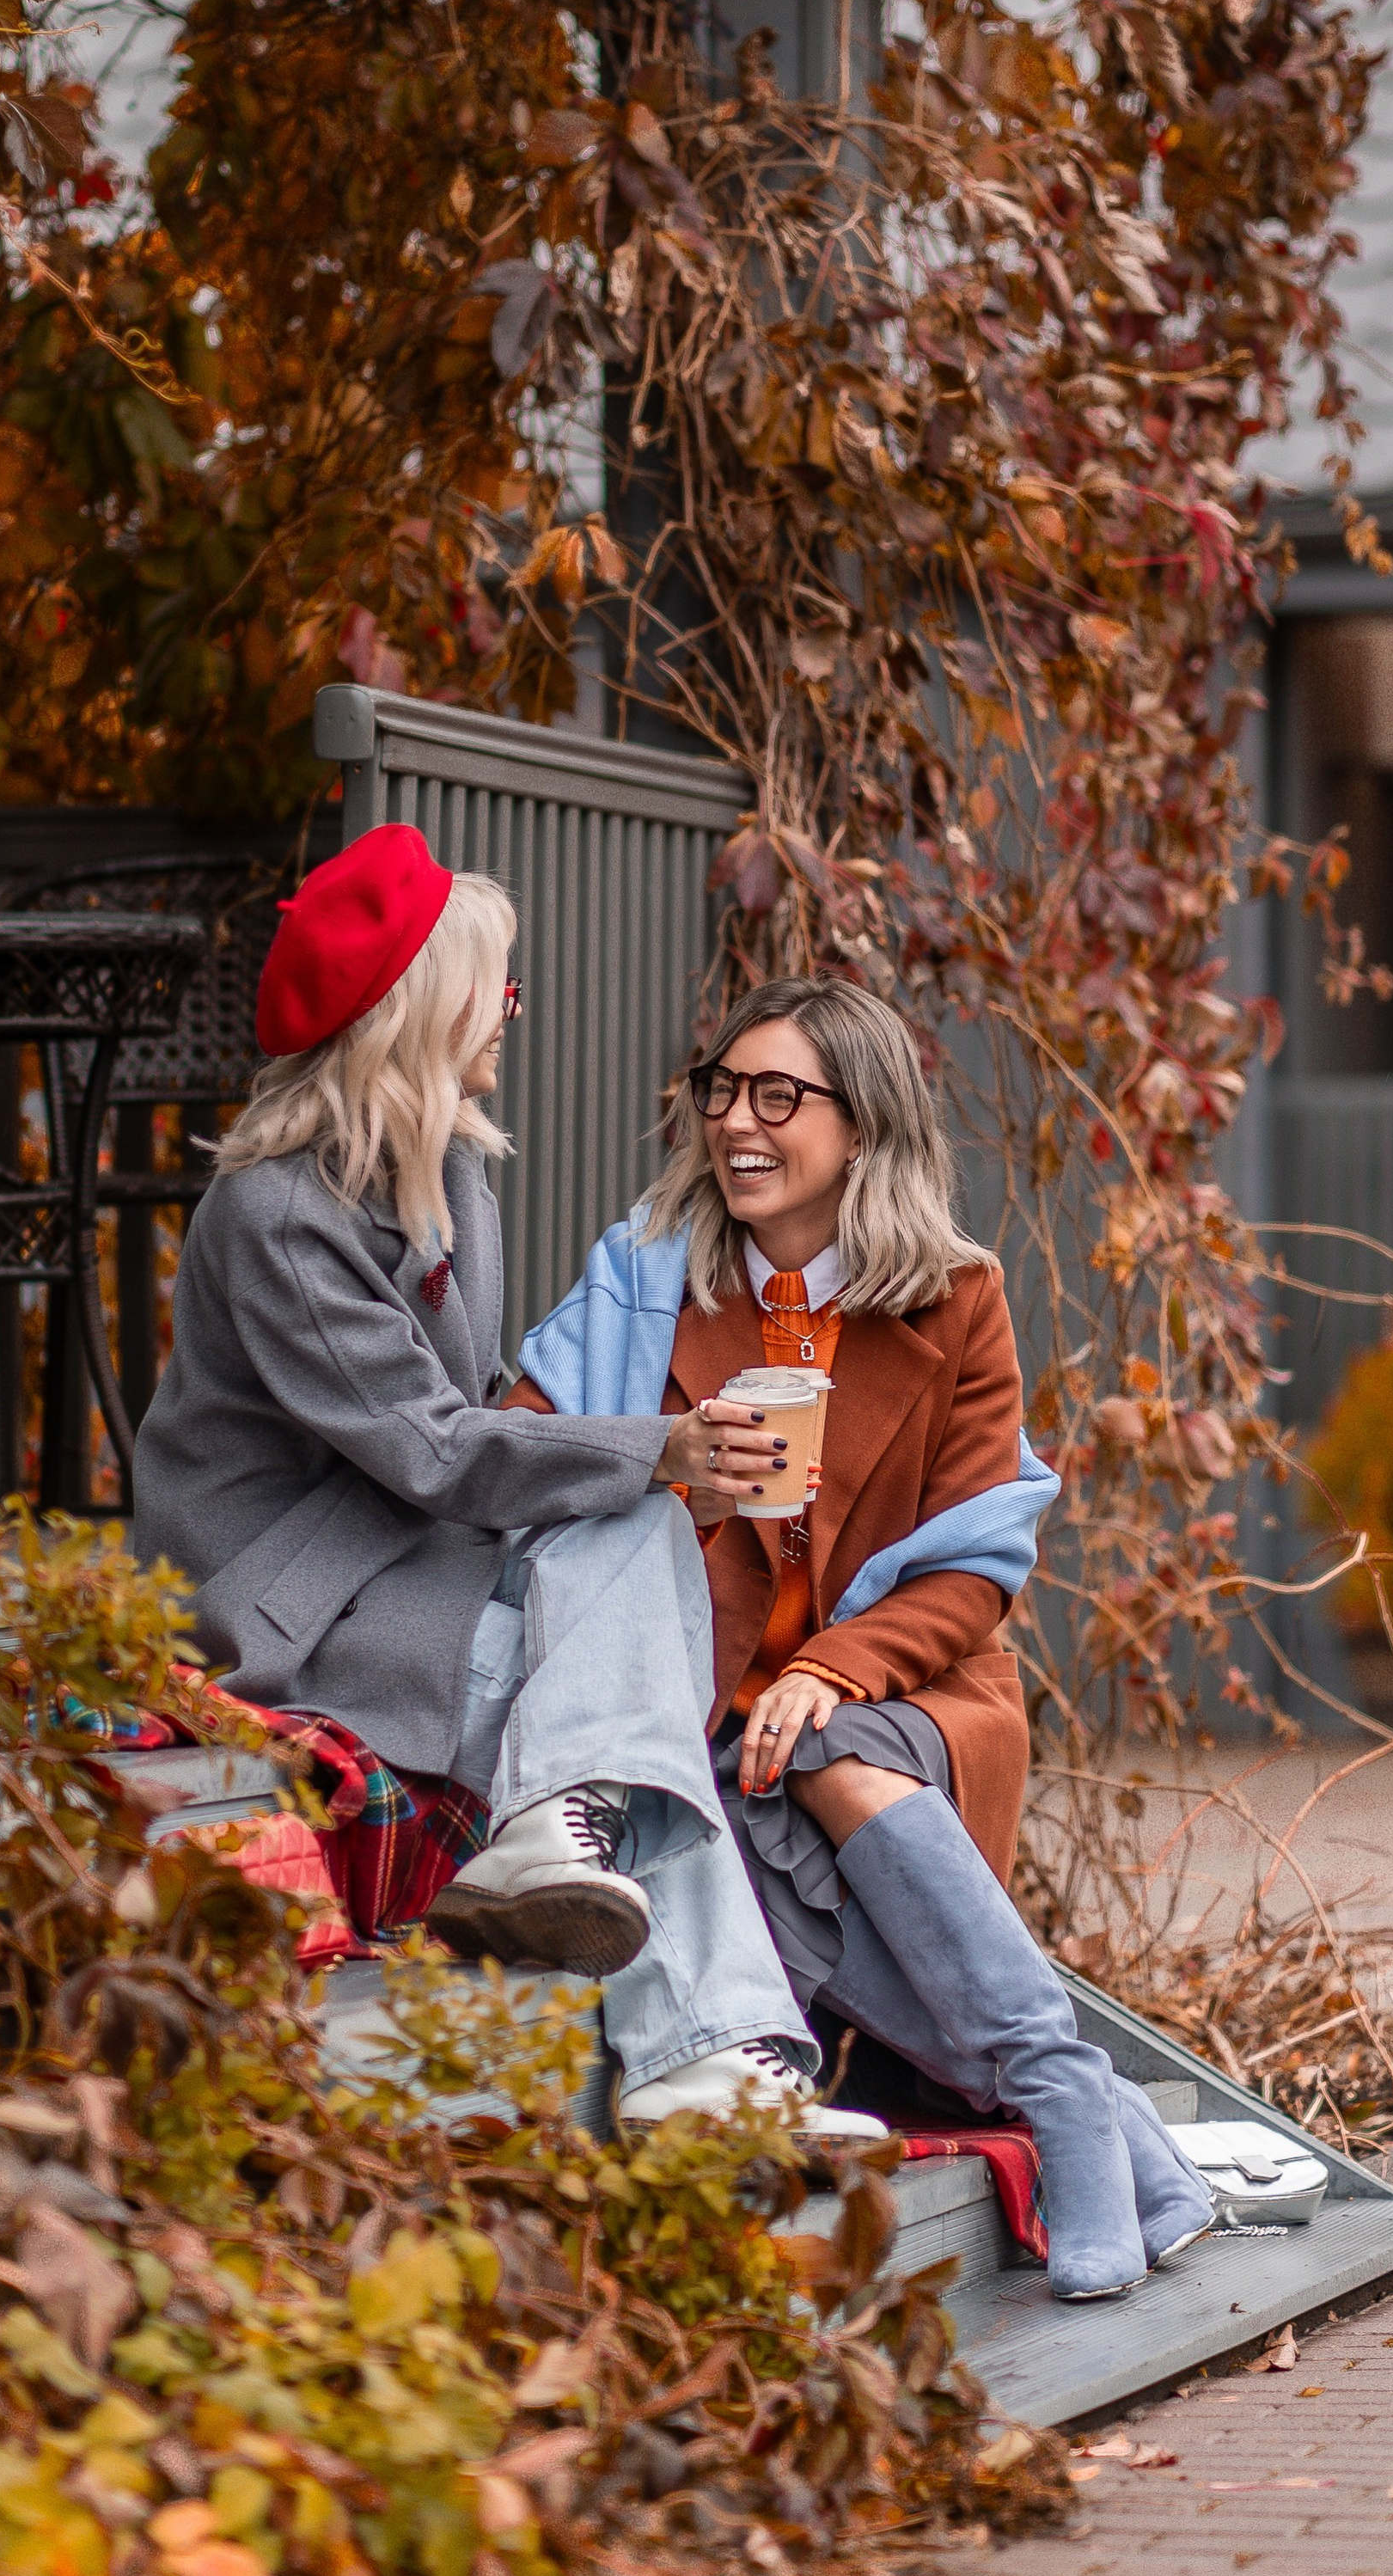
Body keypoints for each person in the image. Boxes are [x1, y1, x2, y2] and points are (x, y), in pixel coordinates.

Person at [129, 827, 877, 2141]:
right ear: (425, 1011)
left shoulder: (449, 1170)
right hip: (297, 1594)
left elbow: (459, 1437)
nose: (514, 1015)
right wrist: (661, 1444)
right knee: (622, 1656)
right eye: (500, 990)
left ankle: (586, 1872)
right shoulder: (275, 1218)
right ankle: (713, 2053)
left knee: (633, 1576)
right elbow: (431, 1445)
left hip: (403, 1554)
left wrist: (652, 1467)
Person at [513, 976, 1218, 2304]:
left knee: (818, 1742)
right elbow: (523, 1447)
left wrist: (832, 1665)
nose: (738, 1121)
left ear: (863, 1122)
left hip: (913, 1696)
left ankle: (1067, 2098)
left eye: (779, 1094)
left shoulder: (954, 1299)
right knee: (746, 1794)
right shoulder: (643, 1277)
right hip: (712, 1714)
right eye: (721, 1089)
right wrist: (669, 1470)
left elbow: (975, 1572)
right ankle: (1091, 2107)